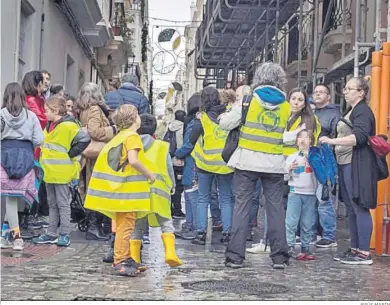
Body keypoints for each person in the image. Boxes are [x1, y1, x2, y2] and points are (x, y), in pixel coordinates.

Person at [220, 62, 290, 269]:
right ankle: (279, 257)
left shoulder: (248, 101)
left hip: (246, 162)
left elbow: (225, 123)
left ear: (258, 78)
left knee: (242, 206)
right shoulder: (286, 105)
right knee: (276, 209)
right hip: (275, 164)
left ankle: (235, 257)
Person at [84, 104, 156, 277]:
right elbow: (133, 160)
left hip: (119, 192)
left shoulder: (119, 137)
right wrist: (150, 174)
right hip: (127, 193)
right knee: (126, 226)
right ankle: (121, 260)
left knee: (123, 225)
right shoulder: (132, 137)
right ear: (133, 119)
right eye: (137, 115)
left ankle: (127, 257)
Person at [320, 77, 377, 265]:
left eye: (349, 88)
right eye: (345, 88)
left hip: (356, 163)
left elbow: (359, 137)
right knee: (351, 208)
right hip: (345, 162)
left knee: (359, 206)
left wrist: (332, 141)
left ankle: (363, 253)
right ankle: (354, 249)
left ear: (361, 92)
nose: (345, 91)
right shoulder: (352, 110)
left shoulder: (363, 111)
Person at [32, 96, 90, 247]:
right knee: (52, 203)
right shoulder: (50, 125)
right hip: (50, 171)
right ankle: (51, 233)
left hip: (63, 172)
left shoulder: (69, 126)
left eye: (47, 110)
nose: (44, 113)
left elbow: (85, 139)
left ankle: (64, 233)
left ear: (55, 110)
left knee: (63, 203)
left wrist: (70, 154)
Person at [130, 114, 182, 268]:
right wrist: (172, 185)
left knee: (137, 226)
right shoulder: (161, 146)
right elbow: (168, 168)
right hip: (160, 191)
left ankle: (135, 259)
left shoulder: (133, 145)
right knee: (166, 222)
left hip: (138, 192)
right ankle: (171, 253)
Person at [0, 83, 44, 251]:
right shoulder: (31, 116)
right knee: (15, 198)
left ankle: (11, 237)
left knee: (10, 199)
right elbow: (39, 139)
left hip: (5, 156)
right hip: (25, 156)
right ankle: (11, 237)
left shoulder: (1, 115)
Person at [190, 87, 235, 246]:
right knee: (226, 198)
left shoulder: (201, 118)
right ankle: (227, 233)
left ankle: (201, 233)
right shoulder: (229, 114)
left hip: (205, 163)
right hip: (225, 163)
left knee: (203, 198)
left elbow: (192, 137)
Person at [76, 82, 117, 241]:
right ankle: (93, 227)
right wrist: (112, 130)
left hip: (90, 156)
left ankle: (95, 226)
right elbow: (94, 131)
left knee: (92, 189)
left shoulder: (84, 109)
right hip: (96, 156)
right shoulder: (94, 109)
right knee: (97, 189)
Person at [312, 83, 341, 248]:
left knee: (325, 198)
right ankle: (315, 232)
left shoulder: (334, 114)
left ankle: (328, 235)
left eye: (321, 92)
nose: (317, 94)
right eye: (315, 92)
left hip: (325, 160)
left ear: (328, 96)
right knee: (312, 198)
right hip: (311, 158)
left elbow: (335, 137)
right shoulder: (310, 112)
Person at [22, 71, 48, 236]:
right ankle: (25, 219)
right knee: (29, 183)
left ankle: (27, 218)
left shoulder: (34, 99)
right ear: (36, 84)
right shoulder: (31, 100)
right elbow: (42, 119)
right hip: (32, 147)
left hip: (33, 146)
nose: (44, 86)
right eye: (42, 83)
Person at [285, 130, 318, 260]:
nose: (303, 140)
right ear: (296, 140)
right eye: (300, 137)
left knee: (307, 222)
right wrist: (289, 169)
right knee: (291, 221)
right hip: (295, 191)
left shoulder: (315, 157)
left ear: (311, 141)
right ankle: (290, 245)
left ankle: (306, 247)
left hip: (310, 192)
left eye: (306, 137)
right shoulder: (292, 157)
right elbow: (285, 176)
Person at [174, 93, 201, 240]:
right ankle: (191, 225)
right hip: (196, 163)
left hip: (192, 163)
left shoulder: (193, 124)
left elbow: (188, 145)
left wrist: (178, 153)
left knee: (192, 195)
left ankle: (194, 227)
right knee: (191, 195)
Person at [165, 110, 186, 219]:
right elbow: (181, 144)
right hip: (179, 161)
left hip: (169, 159)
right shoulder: (182, 128)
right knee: (178, 187)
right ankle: (177, 210)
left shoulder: (170, 126)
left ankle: (170, 208)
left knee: (171, 184)